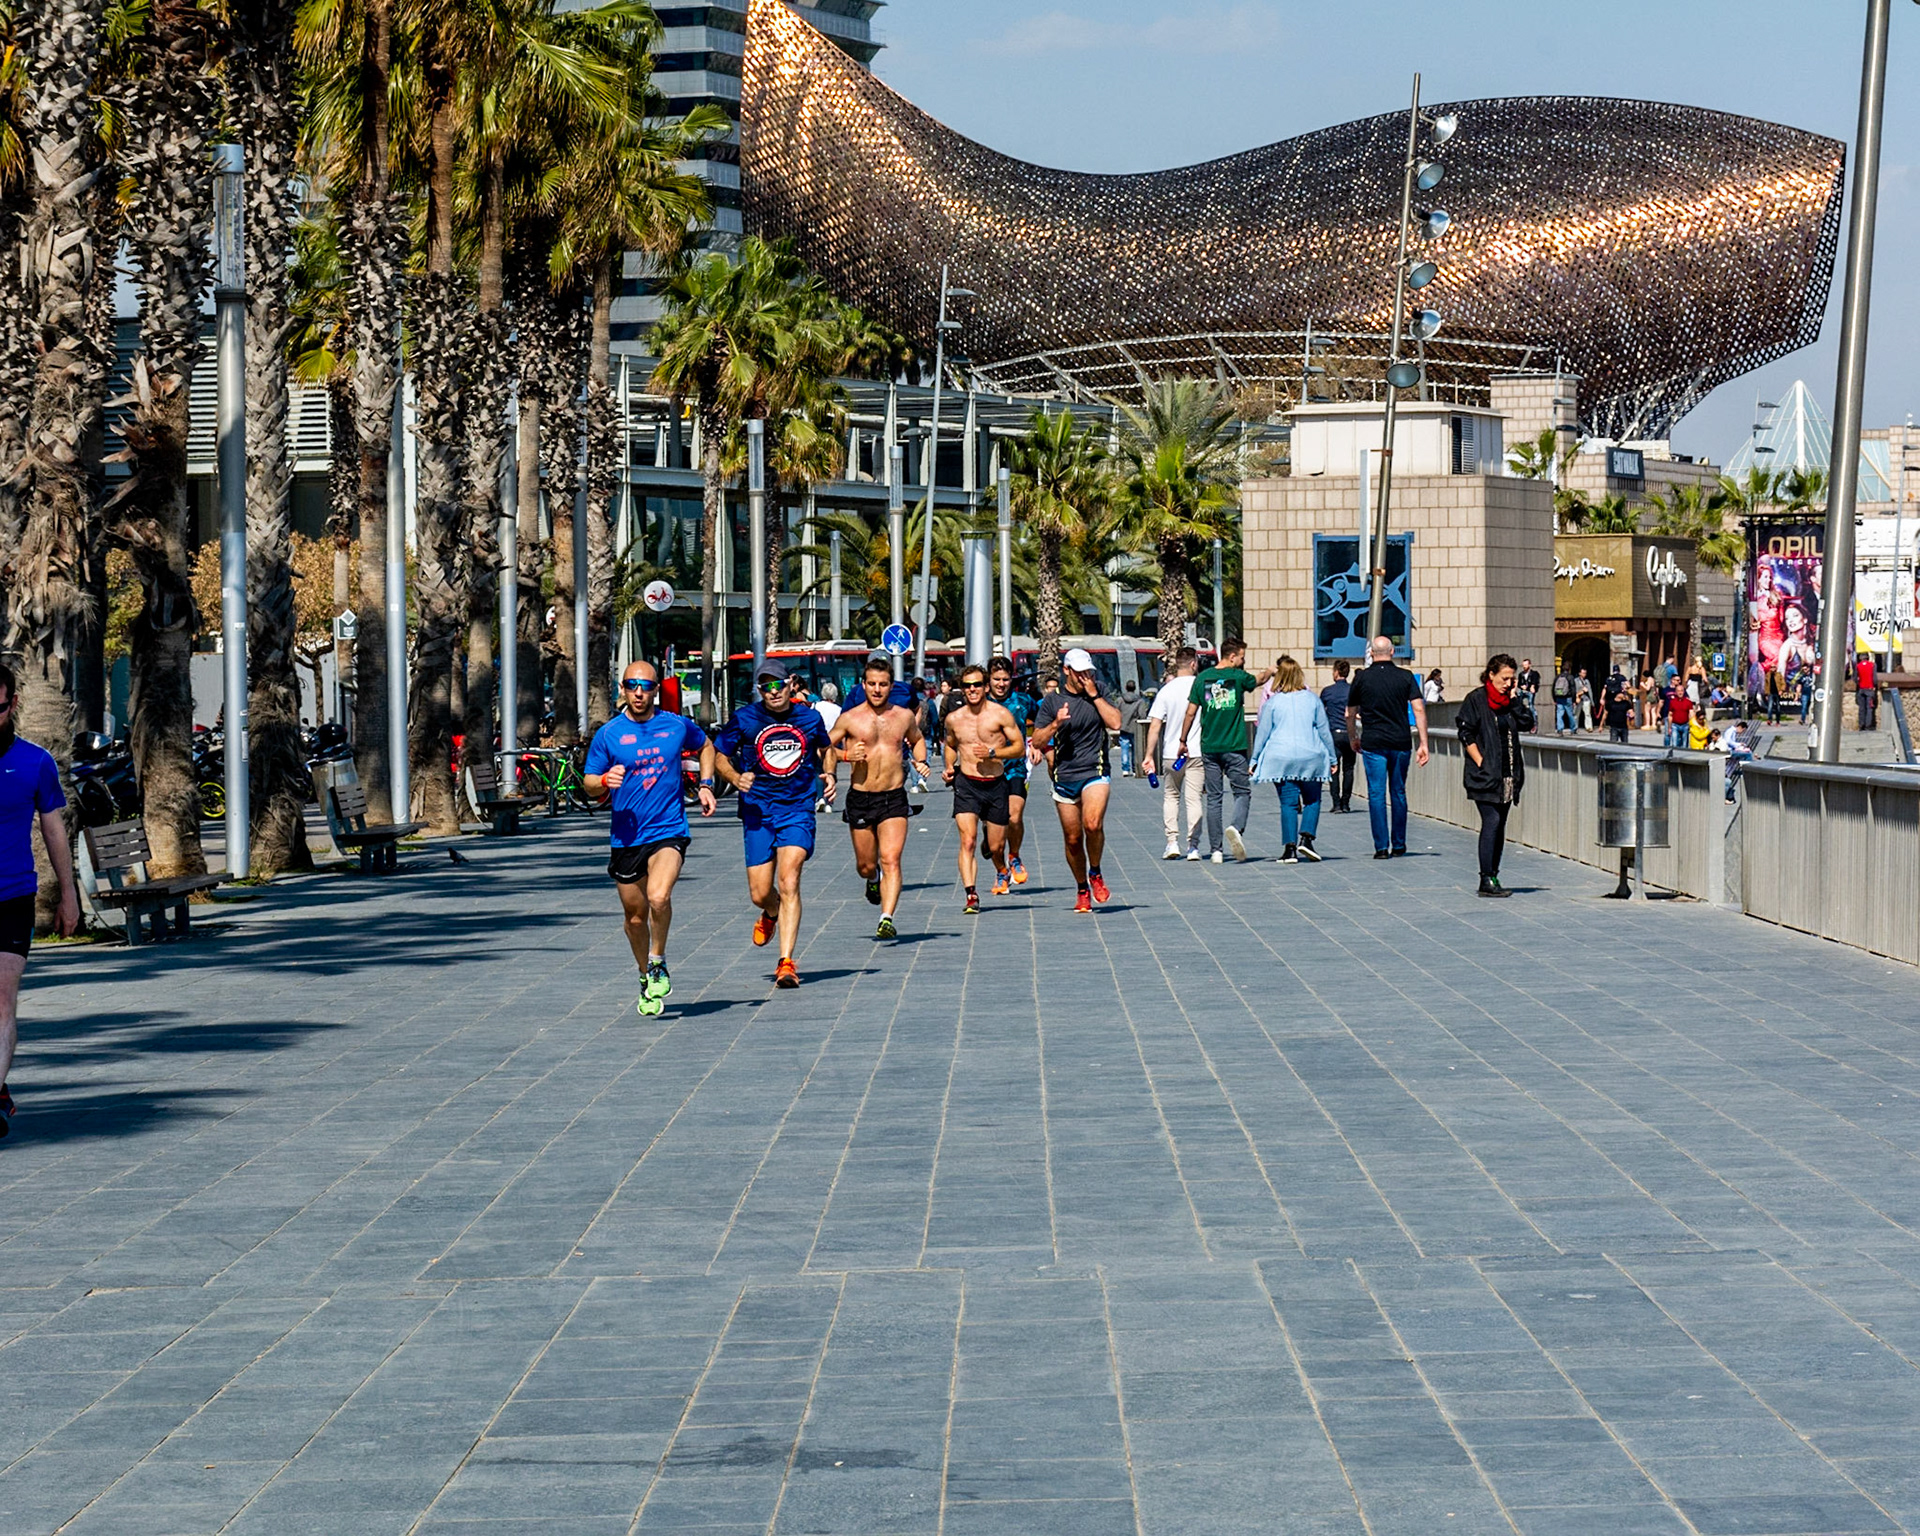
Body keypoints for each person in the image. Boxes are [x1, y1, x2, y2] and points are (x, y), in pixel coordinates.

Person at [582, 660, 718, 1015]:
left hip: (668, 829)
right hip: (626, 837)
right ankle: (645, 975)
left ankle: (658, 960)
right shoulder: (608, 734)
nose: (639, 692)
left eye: (646, 685)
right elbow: (588, 781)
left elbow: (706, 746)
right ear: (622, 689)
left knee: (659, 897)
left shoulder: (675, 726)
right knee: (635, 917)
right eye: (632, 685)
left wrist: (705, 785)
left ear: (657, 689)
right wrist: (603, 781)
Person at [713, 659, 835, 988]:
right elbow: (719, 754)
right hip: (757, 810)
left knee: (789, 877)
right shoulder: (745, 719)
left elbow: (827, 749)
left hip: (796, 807)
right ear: (759, 691)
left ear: (790, 684)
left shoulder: (809, 718)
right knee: (760, 892)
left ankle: (786, 963)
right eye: (765, 687)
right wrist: (734, 777)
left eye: (777, 685)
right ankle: (770, 912)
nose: (772, 692)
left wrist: (831, 773)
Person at [0, 664, 80, 1139]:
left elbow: (54, 830)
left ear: (12, 704)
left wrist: (69, 895)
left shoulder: (35, 761)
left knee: (3, 997)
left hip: (12, 895)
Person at [830, 657, 931, 939]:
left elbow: (918, 739)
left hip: (894, 798)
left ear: (891, 686)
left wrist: (920, 760)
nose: (877, 689)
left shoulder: (903, 716)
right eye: (872, 684)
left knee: (891, 859)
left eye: (883, 684)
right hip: (861, 797)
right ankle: (872, 880)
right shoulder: (850, 718)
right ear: (863, 685)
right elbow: (823, 748)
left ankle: (886, 917)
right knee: (866, 865)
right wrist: (847, 755)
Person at [1031, 647, 1122, 913]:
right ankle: (1082, 887)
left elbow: (1116, 722)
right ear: (1066, 671)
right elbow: (1036, 741)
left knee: (1092, 825)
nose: (1085, 677)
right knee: (1072, 839)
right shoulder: (1052, 701)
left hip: (1095, 769)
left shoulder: (1100, 690)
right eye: (1080, 672)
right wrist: (1055, 725)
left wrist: (1094, 695)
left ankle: (1095, 872)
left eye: (1089, 672)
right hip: (1065, 774)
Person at [943, 663, 1027, 913]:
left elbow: (1019, 747)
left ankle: (1002, 867)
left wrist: (993, 753)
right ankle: (971, 894)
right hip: (967, 784)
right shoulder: (954, 719)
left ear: (985, 686)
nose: (972, 690)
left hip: (995, 785)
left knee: (995, 846)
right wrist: (949, 765)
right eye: (967, 686)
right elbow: (950, 744)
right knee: (967, 840)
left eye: (977, 685)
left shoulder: (1000, 714)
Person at [1180, 637, 1272, 863]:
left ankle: (1216, 850)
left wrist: (1182, 740)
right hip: (1234, 746)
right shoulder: (1238, 677)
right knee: (1242, 792)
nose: (1243, 661)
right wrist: (1270, 671)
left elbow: (1190, 712)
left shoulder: (1202, 679)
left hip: (1210, 747)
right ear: (1232, 657)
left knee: (1214, 798)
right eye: (1242, 657)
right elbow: (1258, 680)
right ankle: (1236, 828)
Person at [1345, 634, 1429, 858]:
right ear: (1392, 652)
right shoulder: (1405, 676)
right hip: (1400, 741)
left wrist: (1354, 737)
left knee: (1376, 793)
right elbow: (1419, 709)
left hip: (1373, 742)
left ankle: (1381, 847)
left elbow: (1350, 713)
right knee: (1398, 791)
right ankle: (1399, 843)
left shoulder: (1361, 679)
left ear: (1371, 653)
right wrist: (1423, 743)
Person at [1457, 653, 1534, 897]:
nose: (1509, 683)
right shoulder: (1476, 700)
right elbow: (1466, 732)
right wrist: (1480, 761)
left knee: (1500, 825)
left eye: (1512, 679)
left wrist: (1514, 700)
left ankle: (1494, 875)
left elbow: (1527, 723)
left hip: (1508, 776)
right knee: (1491, 821)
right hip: (1485, 775)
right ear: (1491, 675)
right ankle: (1485, 878)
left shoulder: (1510, 702)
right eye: (1504, 678)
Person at [1251, 656, 1336, 864]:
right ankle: (1306, 839)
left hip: (1281, 759)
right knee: (1312, 799)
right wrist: (1332, 758)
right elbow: (1324, 731)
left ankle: (1289, 849)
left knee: (1288, 804)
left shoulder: (1273, 702)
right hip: (1311, 757)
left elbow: (1263, 733)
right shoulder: (1312, 699)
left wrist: (1254, 759)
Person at [1145, 646, 1205, 858]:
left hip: (1171, 752)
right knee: (1193, 798)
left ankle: (1172, 842)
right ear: (1193, 663)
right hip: (1197, 750)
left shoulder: (1166, 691)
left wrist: (1148, 755)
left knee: (1171, 796)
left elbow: (1155, 725)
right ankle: (1193, 846)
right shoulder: (1202, 687)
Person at [986, 658, 1039, 883]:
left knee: (1014, 816)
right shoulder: (980, 703)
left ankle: (1014, 856)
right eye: (996, 679)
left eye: (1005, 679)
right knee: (993, 839)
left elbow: (1041, 721)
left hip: (1015, 768)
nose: (1001, 684)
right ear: (988, 681)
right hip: (987, 772)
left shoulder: (1023, 701)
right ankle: (1001, 871)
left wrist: (1037, 744)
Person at [1319, 659, 1357, 813]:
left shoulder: (1327, 691)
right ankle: (1346, 802)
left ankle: (1336, 803)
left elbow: (1320, 713)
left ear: (1336, 672)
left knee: (1334, 769)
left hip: (1333, 734)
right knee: (1349, 769)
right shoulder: (1353, 691)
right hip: (1349, 734)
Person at [1115, 678, 1147, 776]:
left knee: (1124, 748)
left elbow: (1116, 711)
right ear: (1135, 688)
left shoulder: (1120, 700)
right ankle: (1134, 768)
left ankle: (1125, 768)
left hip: (1123, 726)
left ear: (1126, 688)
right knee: (1135, 749)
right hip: (1135, 728)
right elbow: (1142, 715)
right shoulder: (1140, 701)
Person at [1602, 678, 1634, 744]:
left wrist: (1631, 716)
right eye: (1622, 693)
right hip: (1614, 727)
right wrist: (1601, 725)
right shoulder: (1610, 703)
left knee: (1625, 744)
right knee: (1613, 744)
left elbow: (1631, 712)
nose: (1624, 694)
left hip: (1624, 727)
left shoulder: (1626, 703)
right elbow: (1605, 714)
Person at [1552, 664, 1576, 735]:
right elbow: (1573, 689)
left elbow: (1553, 688)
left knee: (1559, 713)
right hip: (1567, 697)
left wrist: (1554, 698)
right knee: (1570, 714)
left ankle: (1560, 729)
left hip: (1559, 697)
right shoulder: (1570, 677)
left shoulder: (1557, 677)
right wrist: (1574, 700)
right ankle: (1573, 728)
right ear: (1569, 669)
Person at [1857, 651, 1879, 731]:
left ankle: (1861, 724)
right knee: (1869, 708)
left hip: (1861, 689)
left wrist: (1859, 684)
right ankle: (1868, 725)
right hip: (1869, 689)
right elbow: (1875, 679)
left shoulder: (1858, 666)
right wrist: (1874, 686)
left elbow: (1855, 678)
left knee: (1861, 708)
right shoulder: (1872, 665)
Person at [1517, 658, 1541, 727]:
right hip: (1523, 690)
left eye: (1526, 665)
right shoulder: (1521, 674)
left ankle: (1534, 721)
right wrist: (1522, 686)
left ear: (1529, 665)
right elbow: (1519, 684)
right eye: (1523, 665)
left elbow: (1535, 682)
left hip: (1530, 691)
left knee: (1531, 706)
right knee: (1518, 700)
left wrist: (1530, 687)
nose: (1524, 666)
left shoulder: (1534, 673)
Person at [1574, 668, 1594, 733]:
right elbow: (1574, 690)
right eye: (1583, 673)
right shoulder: (1576, 681)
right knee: (1576, 714)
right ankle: (1575, 727)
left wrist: (1592, 701)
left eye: (1585, 673)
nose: (1584, 674)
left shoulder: (1587, 681)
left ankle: (1589, 727)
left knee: (1587, 713)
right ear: (1579, 673)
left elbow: (1590, 691)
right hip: (1579, 698)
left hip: (1586, 699)